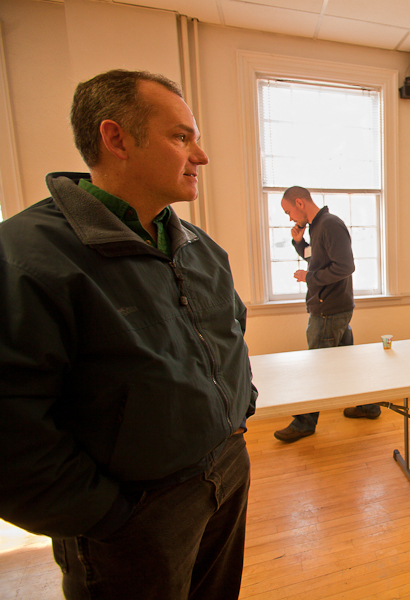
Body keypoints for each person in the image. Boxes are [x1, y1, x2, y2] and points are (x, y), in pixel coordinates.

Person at [0, 69, 256, 600]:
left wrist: (238, 412)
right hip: (134, 512)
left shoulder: (199, 247)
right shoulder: (29, 256)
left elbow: (230, 332)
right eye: (181, 137)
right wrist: (105, 514)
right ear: (115, 138)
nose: (200, 156)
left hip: (224, 475)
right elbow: (10, 424)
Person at [273, 186, 381, 443]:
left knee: (316, 369)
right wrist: (299, 244)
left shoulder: (330, 224)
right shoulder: (317, 227)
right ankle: (368, 405)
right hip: (333, 307)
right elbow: (318, 259)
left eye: (288, 211)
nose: (289, 218)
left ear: (300, 203)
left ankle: (304, 423)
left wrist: (308, 277)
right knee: (346, 363)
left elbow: (345, 266)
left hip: (329, 311)